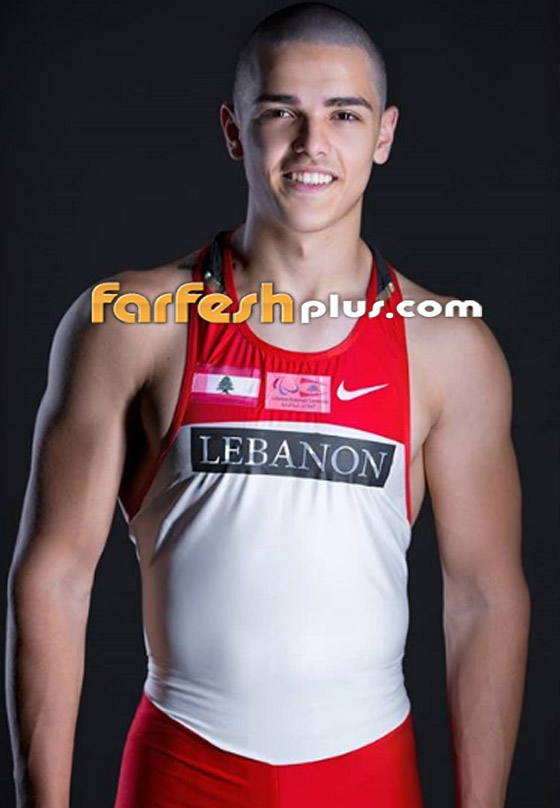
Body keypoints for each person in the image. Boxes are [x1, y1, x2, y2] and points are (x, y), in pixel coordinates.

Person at [6, 3, 530, 807]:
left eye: (344, 115)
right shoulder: (132, 323)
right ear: (233, 129)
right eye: (282, 112)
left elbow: (483, 598)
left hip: (367, 771)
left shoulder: (448, 347)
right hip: (184, 765)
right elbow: (55, 578)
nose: (313, 144)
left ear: (384, 135)